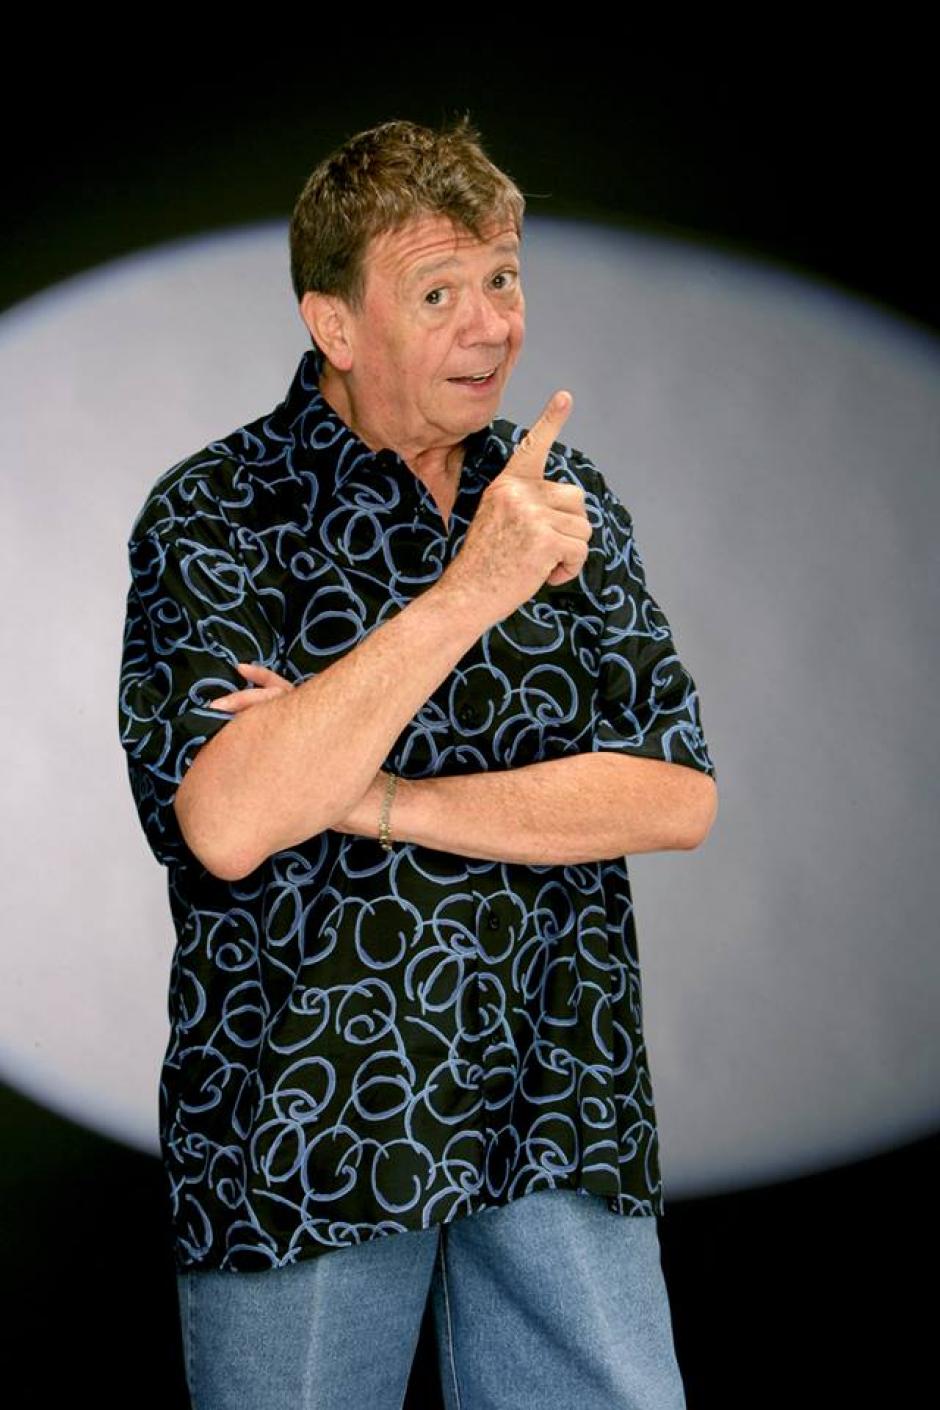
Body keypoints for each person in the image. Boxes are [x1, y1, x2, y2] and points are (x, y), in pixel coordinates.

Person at [118, 116, 718, 1410]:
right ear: (334, 323)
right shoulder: (216, 513)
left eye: (503, 277)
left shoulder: (560, 498)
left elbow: (673, 793)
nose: (491, 325)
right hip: (303, 1119)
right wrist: (472, 590)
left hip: (559, 1098)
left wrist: (374, 795)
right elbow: (230, 818)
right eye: (439, 292)